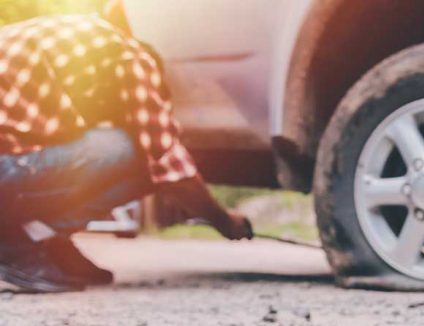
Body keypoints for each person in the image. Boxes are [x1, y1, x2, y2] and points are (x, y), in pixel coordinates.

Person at [0, 12, 254, 293]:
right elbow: (170, 166)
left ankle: (41, 237)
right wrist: (225, 221)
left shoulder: (70, 55)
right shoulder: (133, 58)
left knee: (121, 152)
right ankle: (9, 241)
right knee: (125, 150)